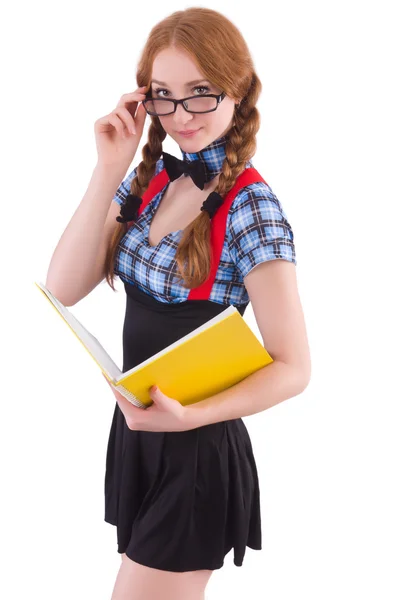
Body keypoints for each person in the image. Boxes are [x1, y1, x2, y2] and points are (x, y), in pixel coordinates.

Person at [45, 7, 311, 600]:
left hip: (195, 449)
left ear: (237, 92)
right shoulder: (153, 179)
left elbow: (294, 368)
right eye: (164, 95)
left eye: (199, 94)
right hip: (140, 436)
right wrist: (109, 165)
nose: (180, 116)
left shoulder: (251, 207)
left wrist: (186, 417)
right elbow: (63, 286)